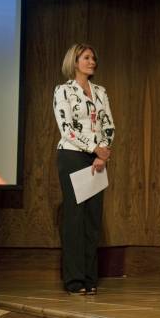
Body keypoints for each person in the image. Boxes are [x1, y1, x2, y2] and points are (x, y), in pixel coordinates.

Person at [53, 43, 115, 296]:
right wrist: (93, 148)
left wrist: (103, 151)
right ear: (74, 61)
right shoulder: (63, 91)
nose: (92, 62)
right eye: (87, 57)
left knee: (92, 219)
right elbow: (66, 127)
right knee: (75, 219)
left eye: (94, 58)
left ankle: (90, 278)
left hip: (98, 159)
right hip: (71, 155)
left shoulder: (101, 91)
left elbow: (108, 125)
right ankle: (74, 280)